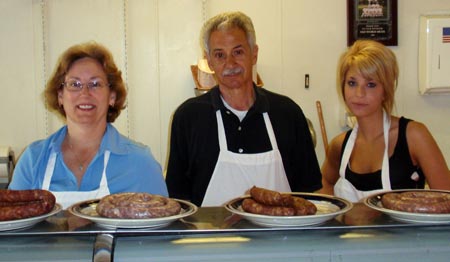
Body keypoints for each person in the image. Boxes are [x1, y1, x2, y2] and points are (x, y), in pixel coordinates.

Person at [165, 11, 322, 207]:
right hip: (209, 236)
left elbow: (307, 194)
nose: (230, 64)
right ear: (209, 61)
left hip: (280, 236)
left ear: (254, 54)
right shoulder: (188, 118)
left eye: (238, 52)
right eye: (219, 55)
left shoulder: (288, 113)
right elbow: (178, 200)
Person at [9, 42, 168, 209]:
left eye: (95, 84)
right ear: (60, 96)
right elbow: (11, 231)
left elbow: (161, 231)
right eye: (74, 84)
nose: (85, 93)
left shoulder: (140, 163)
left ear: (112, 96)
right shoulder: (33, 160)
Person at [320, 40, 450, 202]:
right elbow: (324, 182)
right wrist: (336, 214)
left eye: (371, 84)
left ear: (386, 91)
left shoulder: (414, 136)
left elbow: (447, 199)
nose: (359, 93)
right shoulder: (339, 145)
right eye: (352, 83)